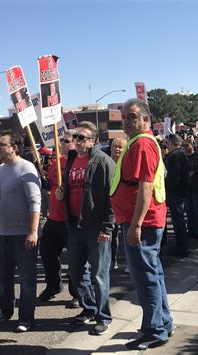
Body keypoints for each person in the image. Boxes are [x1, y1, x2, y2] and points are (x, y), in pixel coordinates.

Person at [110, 99, 173, 350]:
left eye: (132, 116)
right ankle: (162, 323)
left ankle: (154, 330)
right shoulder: (138, 143)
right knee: (153, 275)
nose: (127, 120)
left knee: (145, 277)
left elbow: (145, 188)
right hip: (142, 221)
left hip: (142, 223)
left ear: (146, 120)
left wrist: (135, 225)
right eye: (124, 116)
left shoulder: (143, 144)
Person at [59, 121, 115, 336]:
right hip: (75, 224)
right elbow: (71, 185)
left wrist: (107, 228)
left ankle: (104, 316)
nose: (77, 141)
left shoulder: (103, 161)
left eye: (81, 138)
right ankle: (89, 307)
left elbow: (112, 197)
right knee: (75, 270)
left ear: (92, 141)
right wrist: (63, 192)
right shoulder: (72, 159)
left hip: (96, 227)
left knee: (99, 274)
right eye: (75, 137)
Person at [0, 132, 41, 332]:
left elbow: (35, 202)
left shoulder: (26, 168)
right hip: (0, 234)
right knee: (4, 278)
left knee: (27, 279)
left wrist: (32, 232)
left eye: (3, 145)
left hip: (22, 235)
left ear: (14, 147)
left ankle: (26, 318)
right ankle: (5, 310)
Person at [38, 130, 80, 308]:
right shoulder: (55, 162)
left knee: (75, 259)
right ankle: (53, 286)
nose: (63, 143)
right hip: (54, 217)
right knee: (46, 251)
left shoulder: (78, 163)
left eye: (67, 141)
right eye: (61, 140)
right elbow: (50, 184)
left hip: (71, 219)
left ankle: (77, 293)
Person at [164, 134, 190, 257]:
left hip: (175, 192)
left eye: (168, 143)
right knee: (178, 219)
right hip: (180, 191)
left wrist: (167, 189)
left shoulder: (175, 156)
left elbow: (172, 177)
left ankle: (181, 246)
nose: (166, 145)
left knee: (178, 219)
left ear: (172, 143)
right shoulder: (181, 154)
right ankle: (181, 244)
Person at [110, 137, 127, 270]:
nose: (117, 149)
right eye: (115, 146)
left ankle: (129, 263)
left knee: (127, 235)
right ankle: (112, 261)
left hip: (125, 203)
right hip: (111, 203)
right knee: (113, 234)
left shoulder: (127, 162)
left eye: (120, 147)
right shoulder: (107, 163)